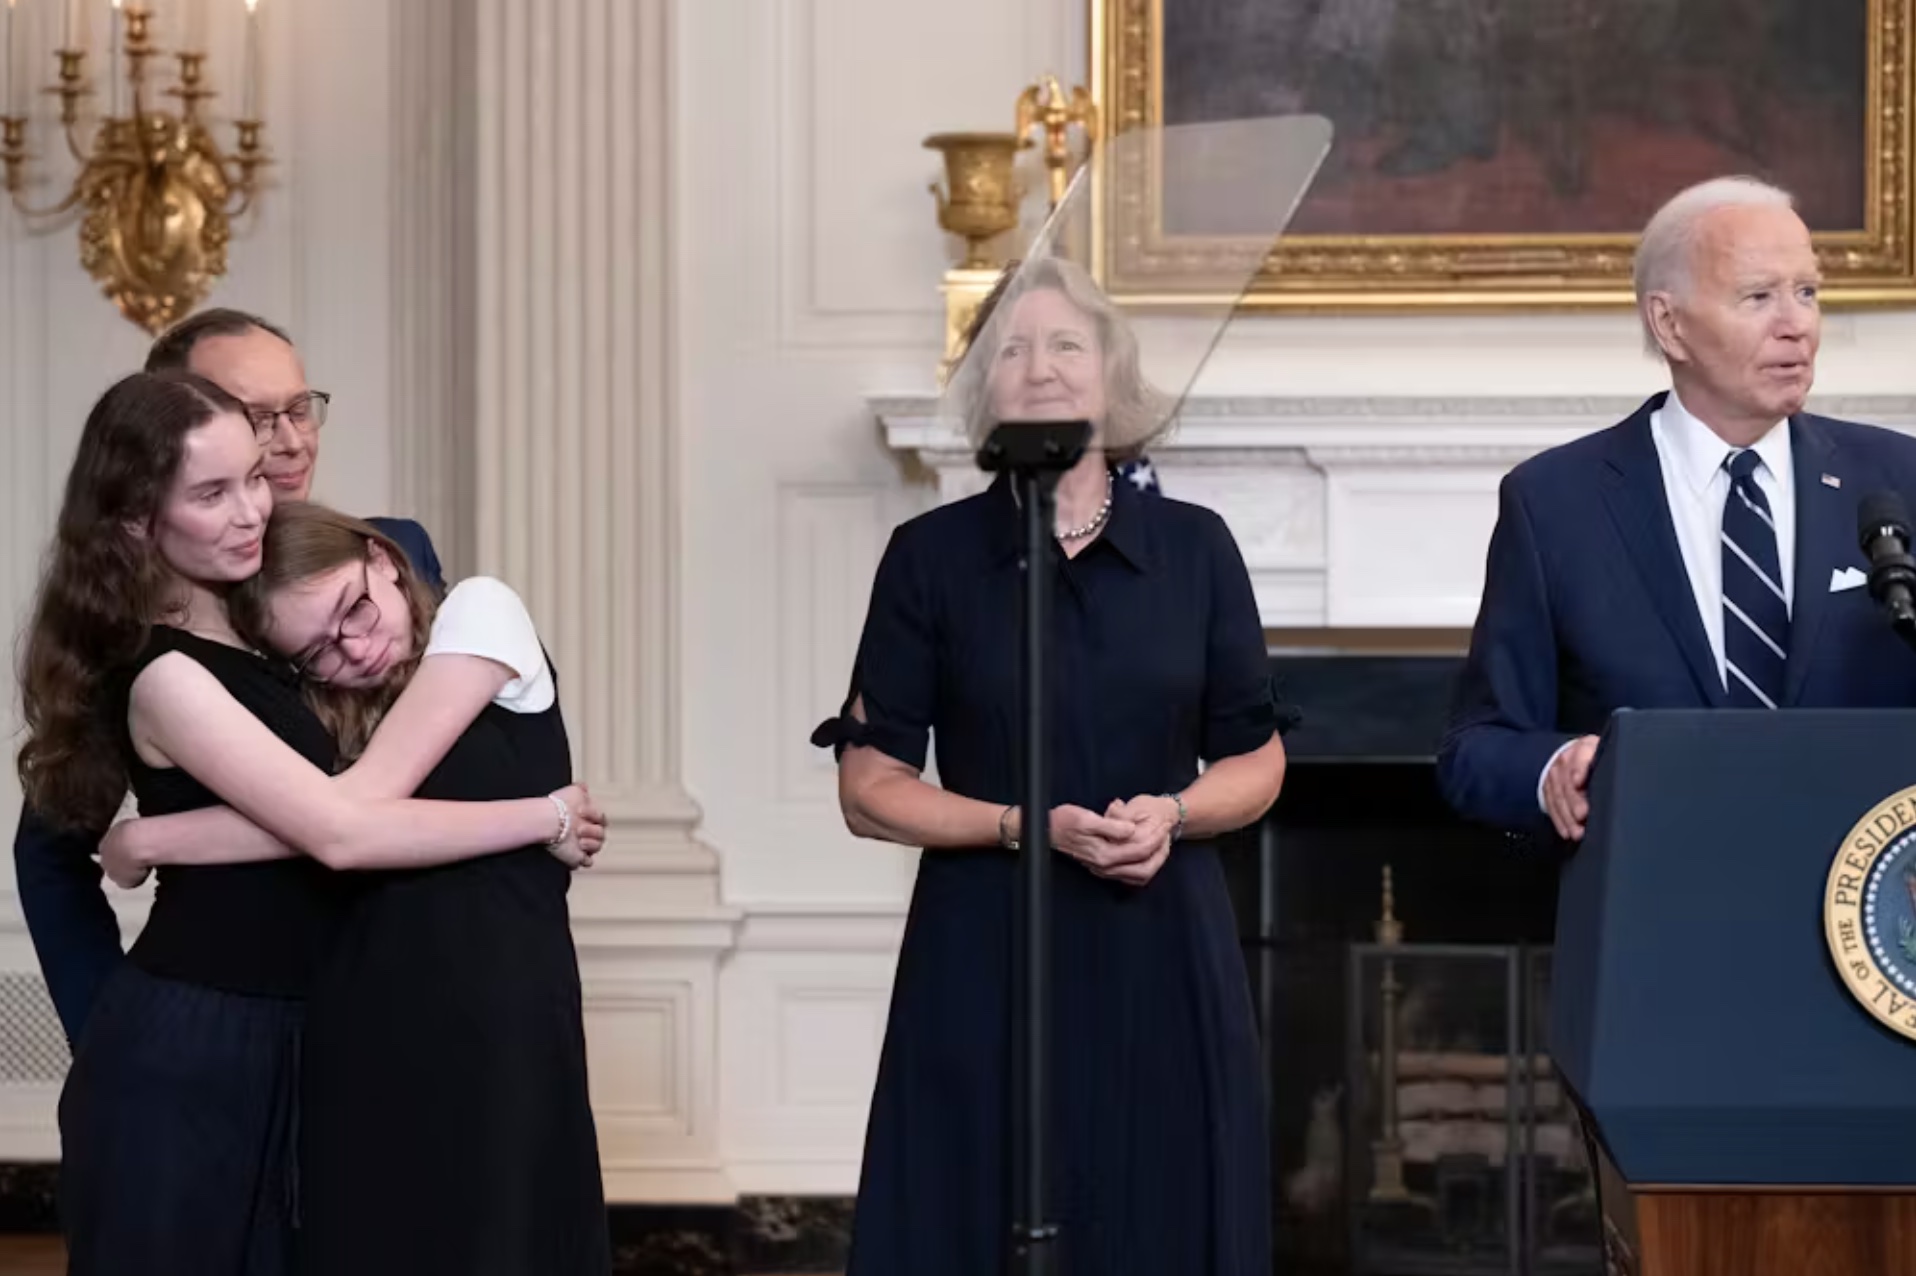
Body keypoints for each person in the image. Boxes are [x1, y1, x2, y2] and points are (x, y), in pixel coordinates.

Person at [16, 372, 601, 1274]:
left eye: (255, 476)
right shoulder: (167, 672)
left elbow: (349, 801)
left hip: (315, 1030)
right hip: (203, 1042)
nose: (252, 508)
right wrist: (545, 815)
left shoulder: (273, 632)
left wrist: (157, 837)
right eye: (212, 494)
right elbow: (341, 829)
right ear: (137, 520)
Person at [811, 255, 1293, 1275]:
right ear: (983, 388)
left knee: (1158, 1211)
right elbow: (868, 784)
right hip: (982, 946)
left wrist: (1169, 810)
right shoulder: (926, 556)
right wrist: (1020, 825)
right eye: (1012, 349)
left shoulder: (1196, 549)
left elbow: (1254, 755)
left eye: (1066, 343)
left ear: (1112, 377)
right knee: (974, 1212)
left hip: (1159, 936)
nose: (1039, 367)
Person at [1438, 176, 1916, 841]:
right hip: (1657, 907)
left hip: (1868, 911)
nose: (1797, 324)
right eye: (1759, 297)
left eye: (1807, 292)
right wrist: (1554, 768)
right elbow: (1477, 748)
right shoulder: (1555, 503)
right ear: (1670, 323)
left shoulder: (1898, 479)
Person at [13, 308, 443, 1047]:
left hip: (402, 997)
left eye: (300, 408)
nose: (293, 438)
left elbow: (441, 768)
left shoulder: (391, 553)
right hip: (228, 1020)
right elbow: (50, 857)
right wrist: (108, 1033)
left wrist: (159, 838)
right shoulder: (143, 634)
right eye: (256, 414)